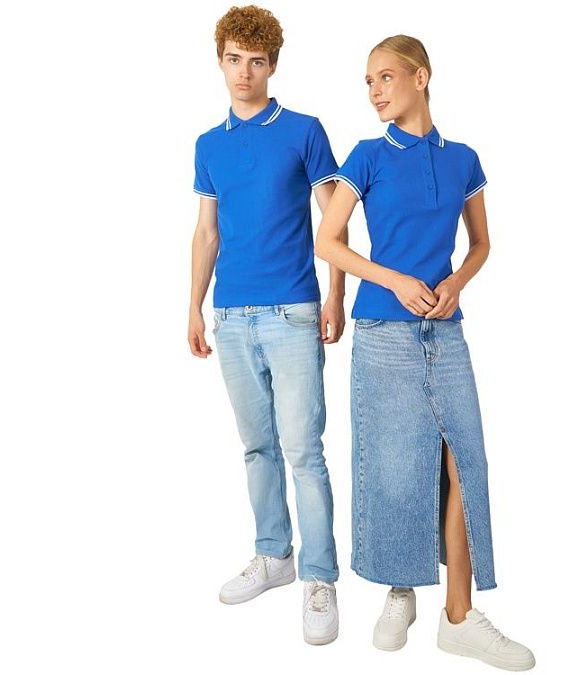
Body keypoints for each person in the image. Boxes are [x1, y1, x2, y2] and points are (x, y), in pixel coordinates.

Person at [314, 35, 536, 669]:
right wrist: (395, 281)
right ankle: (399, 591)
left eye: (385, 77)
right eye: (368, 82)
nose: (375, 91)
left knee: (465, 462)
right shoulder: (367, 156)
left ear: (421, 77)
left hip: (447, 332)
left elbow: (481, 243)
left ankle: (459, 617)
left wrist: (455, 283)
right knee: (396, 467)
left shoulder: (463, 159)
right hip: (382, 334)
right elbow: (328, 241)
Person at [187, 5, 346, 646]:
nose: (244, 73)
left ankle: (319, 578)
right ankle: (274, 553)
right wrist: (193, 307)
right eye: (234, 60)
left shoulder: (304, 131)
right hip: (230, 315)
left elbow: (333, 219)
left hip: (293, 312)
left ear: (272, 65)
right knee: (257, 447)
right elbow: (206, 232)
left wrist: (336, 295)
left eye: (256, 62)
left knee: (304, 450)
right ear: (220, 62)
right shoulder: (209, 144)